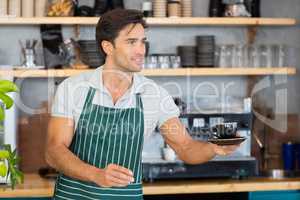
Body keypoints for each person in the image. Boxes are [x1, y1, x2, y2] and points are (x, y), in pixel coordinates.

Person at [46, 9, 239, 200]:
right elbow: (54, 151)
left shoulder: (154, 94)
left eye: (142, 42)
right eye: (131, 42)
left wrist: (213, 148)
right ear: (108, 47)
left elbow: (186, 147)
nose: (141, 50)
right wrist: (96, 174)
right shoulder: (73, 88)